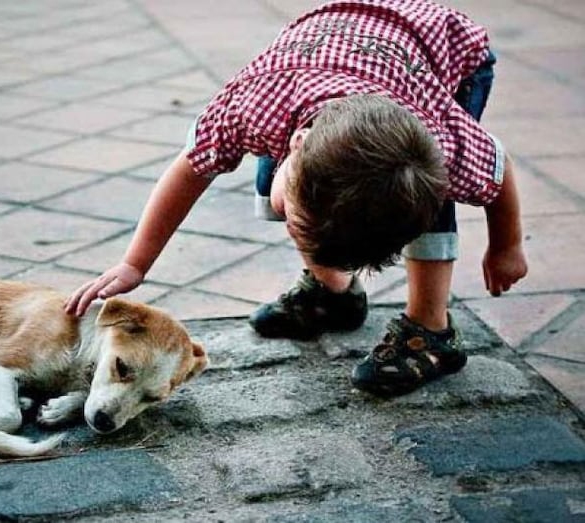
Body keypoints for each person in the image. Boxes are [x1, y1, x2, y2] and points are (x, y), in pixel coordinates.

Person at [64, 0, 528, 397]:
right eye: (298, 224)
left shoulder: (440, 141)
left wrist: (506, 246)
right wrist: (135, 263)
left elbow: (496, 163)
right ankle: (333, 295)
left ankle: (431, 330)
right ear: (297, 142)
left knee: (420, 197)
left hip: (448, 54)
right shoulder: (250, 105)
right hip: (333, 48)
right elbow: (190, 168)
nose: (294, 228)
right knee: (277, 190)